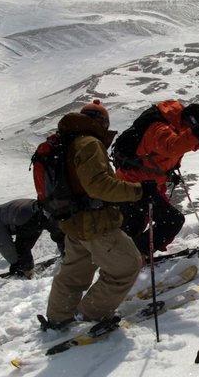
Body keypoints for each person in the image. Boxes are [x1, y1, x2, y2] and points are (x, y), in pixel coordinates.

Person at [39, 108, 145, 338]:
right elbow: (99, 185)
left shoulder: (66, 142)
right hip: (95, 222)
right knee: (127, 266)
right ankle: (89, 313)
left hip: (73, 222)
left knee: (73, 274)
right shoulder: (88, 143)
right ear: (101, 122)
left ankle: (58, 317)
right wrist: (138, 190)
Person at [109, 100, 199, 255]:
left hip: (144, 183)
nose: (192, 130)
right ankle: (132, 256)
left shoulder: (177, 124)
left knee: (134, 224)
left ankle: (122, 255)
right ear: (189, 120)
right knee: (171, 221)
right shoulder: (158, 129)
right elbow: (173, 146)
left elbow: (194, 142)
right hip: (134, 184)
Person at [0, 197, 64, 279]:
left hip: (29, 217)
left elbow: (4, 244)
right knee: (58, 232)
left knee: (22, 247)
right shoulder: (1, 210)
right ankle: (67, 254)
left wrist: (15, 263)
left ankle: (28, 272)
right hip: (40, 208)